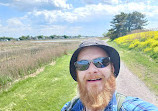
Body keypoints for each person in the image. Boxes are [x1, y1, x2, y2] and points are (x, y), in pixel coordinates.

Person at [61, 39, 158, 111]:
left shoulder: (131, 107)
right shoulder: (68, 108)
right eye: (82, 64)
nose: (92, 70)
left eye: (101, 62)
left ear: (112, 68)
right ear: (77, 74)